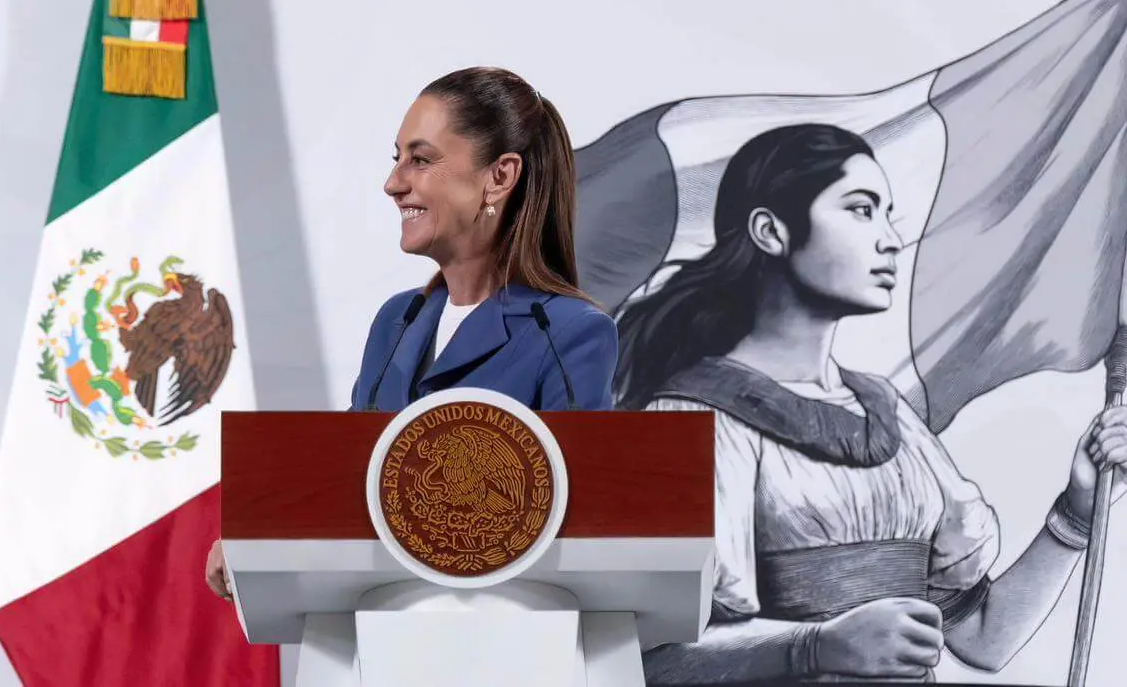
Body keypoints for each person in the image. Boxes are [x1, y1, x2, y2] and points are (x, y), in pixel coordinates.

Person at [613, 123, 1127, 684]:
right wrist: (813, 647)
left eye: (888, 214)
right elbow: (648, 661)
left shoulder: (891, 416)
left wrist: (1077, 510)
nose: (889, 239)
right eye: (861, 210)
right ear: (770, 230)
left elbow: (982, 638)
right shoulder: (685, 417)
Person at [205, 66, 618, 601]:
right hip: (380, 638)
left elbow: (581, 528)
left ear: (500, 176)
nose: (394, 182)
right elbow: (354, 483)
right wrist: (259, 535)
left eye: (420, 160)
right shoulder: (396, 323)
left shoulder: (569, 333)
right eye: (397, 158)